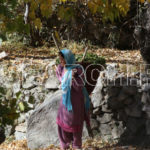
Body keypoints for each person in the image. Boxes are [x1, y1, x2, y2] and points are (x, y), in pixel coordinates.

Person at [56, 49, 92, 150]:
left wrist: (73, 77)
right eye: (60, 59)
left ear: (68, 59)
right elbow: (60, 79)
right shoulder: (62, 68)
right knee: (62, 122)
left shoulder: (78, 70)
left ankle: (76, 145)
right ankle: (65, 145)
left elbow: (79, 87)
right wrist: (66, 76)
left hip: (75, 102)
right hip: (65, 101)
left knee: (75, 123)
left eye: (62, 59)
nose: (61, 61)